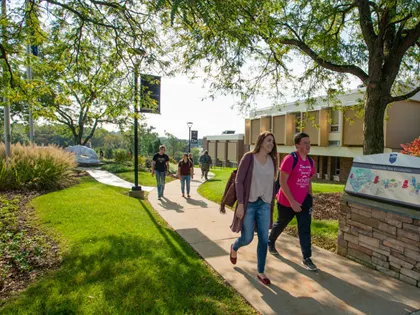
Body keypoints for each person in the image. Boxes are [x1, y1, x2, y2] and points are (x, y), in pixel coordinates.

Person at [229, 131, 278, 286]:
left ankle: (261, 271)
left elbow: (272, 183)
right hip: (249, 204)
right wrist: (241, 204)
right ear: (261, 140)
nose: (271, 143)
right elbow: (239, 181)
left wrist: (272, 200)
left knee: (264, 239)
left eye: (273, 141)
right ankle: (234, 246)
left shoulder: (272, 160)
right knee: (247, 238)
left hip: (264, 205)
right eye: (268, 140)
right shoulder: (249, 157)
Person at [268, 132, 317, 271]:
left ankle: (307, 258)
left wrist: (310, 198)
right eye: (305, 143)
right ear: (297, 145)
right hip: (287, 201)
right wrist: (293, 202)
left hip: (304, 201)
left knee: (305, 228)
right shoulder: (290, 159)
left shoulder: (311, 162)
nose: (308, 145)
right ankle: (270, 242)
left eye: (309, 142)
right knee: (281, 223)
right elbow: (283, 182)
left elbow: (308, 181)